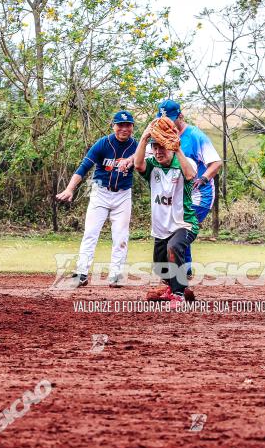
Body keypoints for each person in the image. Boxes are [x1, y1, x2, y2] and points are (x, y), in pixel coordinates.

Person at [55, 111, 138, 288]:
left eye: (128, 125)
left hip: (123, 194)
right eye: (120, 125)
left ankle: (116, 275)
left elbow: (146, 163)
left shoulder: (137, 146)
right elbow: (84, 167)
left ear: (132, 127)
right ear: (113, 126)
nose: (124, 128)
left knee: (121, 236)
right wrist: (70, 189)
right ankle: (82, 274)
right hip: (100, 193)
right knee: (90, 233)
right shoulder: (103, 143)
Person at [131, 120, 199, 307]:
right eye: (155, 147)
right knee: (159, 264)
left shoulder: (184, 162)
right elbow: (137, 165)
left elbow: (191, 175)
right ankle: (174, 287)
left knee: (174, 247)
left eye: (163, 147)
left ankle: (178, 295)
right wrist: (145, 137)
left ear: (171, 146)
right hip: (161, 226)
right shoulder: (152, 164)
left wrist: (177, 149)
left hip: (184, 223)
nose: (158, 151)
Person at [155, 99, 222, 271]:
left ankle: (184, 272)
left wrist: (203, 179)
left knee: (181, 227)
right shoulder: (162, 136)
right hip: (177, 195)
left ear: (180, 116)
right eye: (163, 119)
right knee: (178, 230)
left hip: (199, 194)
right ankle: (185, 271)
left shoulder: (194, 135)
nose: (167, 123)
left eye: (170, 118)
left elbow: (215, 163)